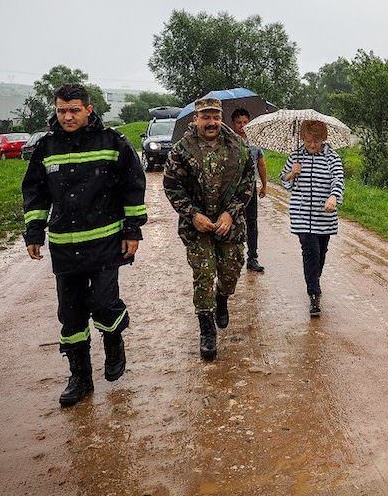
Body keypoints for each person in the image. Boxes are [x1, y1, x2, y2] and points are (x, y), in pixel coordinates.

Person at [22, 83, 147, 407]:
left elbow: (133, 186)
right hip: (64, 247)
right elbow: (35, 191)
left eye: (73, 110)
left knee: (105, 304)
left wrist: (132, 230)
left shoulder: (112, 142)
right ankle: (79, 377)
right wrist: (34, 231)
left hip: (106, 243)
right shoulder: (46, 148)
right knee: (71, 314)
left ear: (88, 109)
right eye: (61, 110)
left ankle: (113, 342)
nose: (67, 116)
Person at [163, 98, 254, 360]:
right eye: (205, 117)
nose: (211, 122)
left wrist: (231, 213)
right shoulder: (181, 150)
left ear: (221, 117)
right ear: (195, 119)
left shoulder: (239, 147)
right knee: (203, 274)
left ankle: (222, 298)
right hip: (197, 227)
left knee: (230, 272)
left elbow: (247, 184)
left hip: (230, 226)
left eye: (215, 116)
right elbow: (172, 186)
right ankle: (206, 330)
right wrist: (193, 214)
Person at [279, 120, 345, 317]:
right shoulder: (296, 156)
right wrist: (292, 173)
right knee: (311, 252)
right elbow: (282, 179)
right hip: (301, 214)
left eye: (316, 141)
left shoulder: (332, 158)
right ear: (303, 139)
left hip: (324, 215)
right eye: (308, 141)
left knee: (321, 252)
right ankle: (314, 294)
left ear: (324, 139)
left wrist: (333, 196)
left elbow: (338, 179)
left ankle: (314, 279)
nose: (312, 145)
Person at [230, 107, 268, 273]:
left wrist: (264, 185)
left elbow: (261, 163)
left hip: (250, 188)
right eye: (239, 122)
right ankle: (232, 256)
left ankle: (252, 257)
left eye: (245, 122)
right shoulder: (228, 141)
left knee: (252, 222)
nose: (242, 125)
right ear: (233, 124)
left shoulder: (255, 142)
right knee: (233, 221)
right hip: (232, 190)